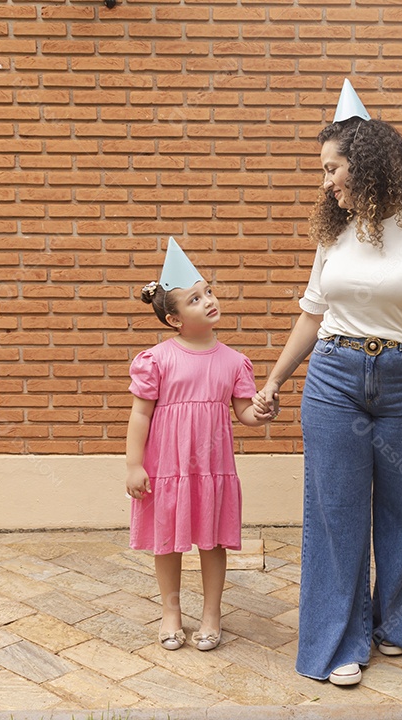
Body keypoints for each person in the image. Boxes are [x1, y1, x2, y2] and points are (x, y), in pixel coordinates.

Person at [253, 80, 402, 686]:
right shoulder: (334, 233)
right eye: (323, 170)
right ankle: (340, 642)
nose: (325, 182)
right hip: (334, 379)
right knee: (335, 513)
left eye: (333, 168)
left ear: (367, 162)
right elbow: (312, 313)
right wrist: (275, 380)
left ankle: (389, 624)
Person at [127, 238, 270, 652]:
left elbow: (243, 412)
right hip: (167, 469)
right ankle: (170, 611)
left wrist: (260, 412)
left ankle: (211, 613)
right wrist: (134, 465)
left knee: (212, 540)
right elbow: (140, 414)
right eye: (195, 298)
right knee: (166, 540)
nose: (209, 300)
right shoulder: (156, 359)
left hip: (211, 469)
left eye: (208, 291)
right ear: (175, 319)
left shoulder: (233, 361)